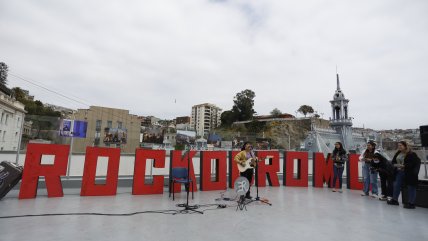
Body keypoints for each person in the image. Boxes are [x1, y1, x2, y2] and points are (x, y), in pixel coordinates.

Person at [387, 141, 421, 208]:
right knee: (396, 185)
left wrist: (403, 166)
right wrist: (395, 165)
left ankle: (411, 203)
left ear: (405, 146)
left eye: (401, 145)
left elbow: (412, 164)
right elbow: (393, 161)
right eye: (398, 145)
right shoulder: (398, 153)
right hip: (399, 172)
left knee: (411, 187)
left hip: (409, 173)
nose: (399, 147)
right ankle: (395, 200)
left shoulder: (411, 154)